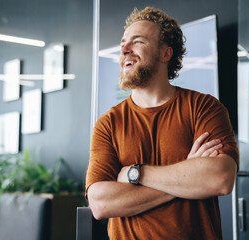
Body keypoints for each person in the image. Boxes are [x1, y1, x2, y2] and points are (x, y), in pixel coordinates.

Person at [86, 6, 239, 240]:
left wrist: (133, 173)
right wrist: (186, 179)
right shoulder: (108, 123)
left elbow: (220, 179)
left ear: (165, 54)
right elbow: (100, 204)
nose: (125, 49)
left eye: (138, 42)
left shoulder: (204, 108)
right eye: (123, 44)